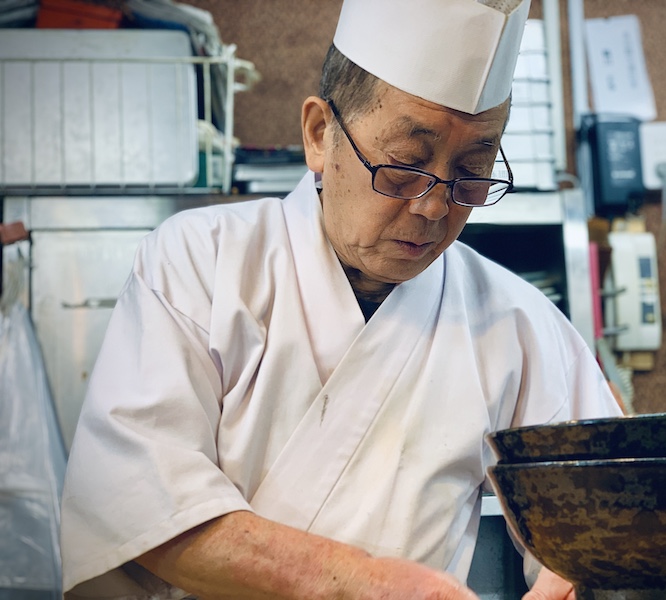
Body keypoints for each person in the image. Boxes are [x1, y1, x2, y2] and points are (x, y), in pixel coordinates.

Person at [60, 1, 622, 598]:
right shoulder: (203, 263)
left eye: (472, 173)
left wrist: (573, 577)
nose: (433, 207)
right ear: (320, 135)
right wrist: (363, 584)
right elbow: (138, 504)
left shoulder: (518, 322)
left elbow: (611, 510)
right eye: (405, 166)